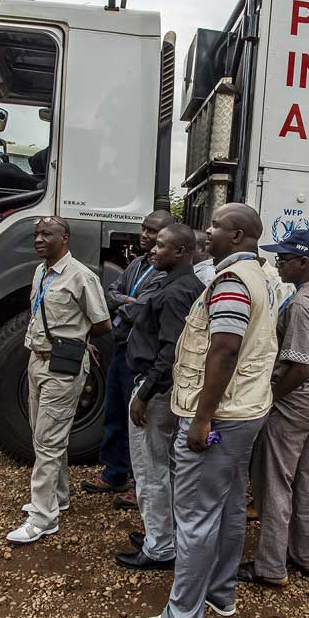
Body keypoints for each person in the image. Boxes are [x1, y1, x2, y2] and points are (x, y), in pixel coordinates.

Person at [128, 203, 278, 618]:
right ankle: (219, 594)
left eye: (215, 225)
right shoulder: (263, 275)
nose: (205, 232)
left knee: (194, 516)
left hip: (219, 417)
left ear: (237, 236)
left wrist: (201, 418)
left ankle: (182, 617)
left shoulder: (230, 281)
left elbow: (225, 349)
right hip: (245, 410)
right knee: (229, 505)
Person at [238, 230, 309, 587]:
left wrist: (272, 397)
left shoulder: (303, 303)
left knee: (274, 485)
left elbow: (300, 366)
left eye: (284, 259)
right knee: (307, 483)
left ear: (304, 262)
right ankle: (305, 556)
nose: (278, 264)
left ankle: (270, 566)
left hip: (293, 405)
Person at [7, 216, 113, 543]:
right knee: (46, 436)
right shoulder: (40, 272)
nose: (38, 239)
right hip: (37, 363)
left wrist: (78, 343)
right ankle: (59, 497)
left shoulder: (81, 276)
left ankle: (42, 518)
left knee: (48, 442)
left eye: (46, 234)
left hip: (62, 368)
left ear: (64, 238)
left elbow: (102, 324)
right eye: (36, 234)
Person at [117, 224, 206, 571]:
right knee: (166, 466)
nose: (153, 250)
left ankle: (159, 548)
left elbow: (170, 351)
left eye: (161, 246)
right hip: (167, 391)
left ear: (182, 252)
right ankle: (163, 533)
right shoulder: (181, 284)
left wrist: (143, 393)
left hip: (156, 392)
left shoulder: (175, 293)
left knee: (150, 470)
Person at [82, 210, 175, 497]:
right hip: (122, 347)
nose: (145, 235)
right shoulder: (136, 263)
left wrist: (126, 303)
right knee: (114, 412)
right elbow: (110, 292)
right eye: (144, 229)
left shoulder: (165, 271)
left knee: (138, 418)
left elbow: (144, 309)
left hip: (141, 354)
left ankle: (139, 485)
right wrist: (127, 301)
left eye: (153, 232)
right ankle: (114, 473)